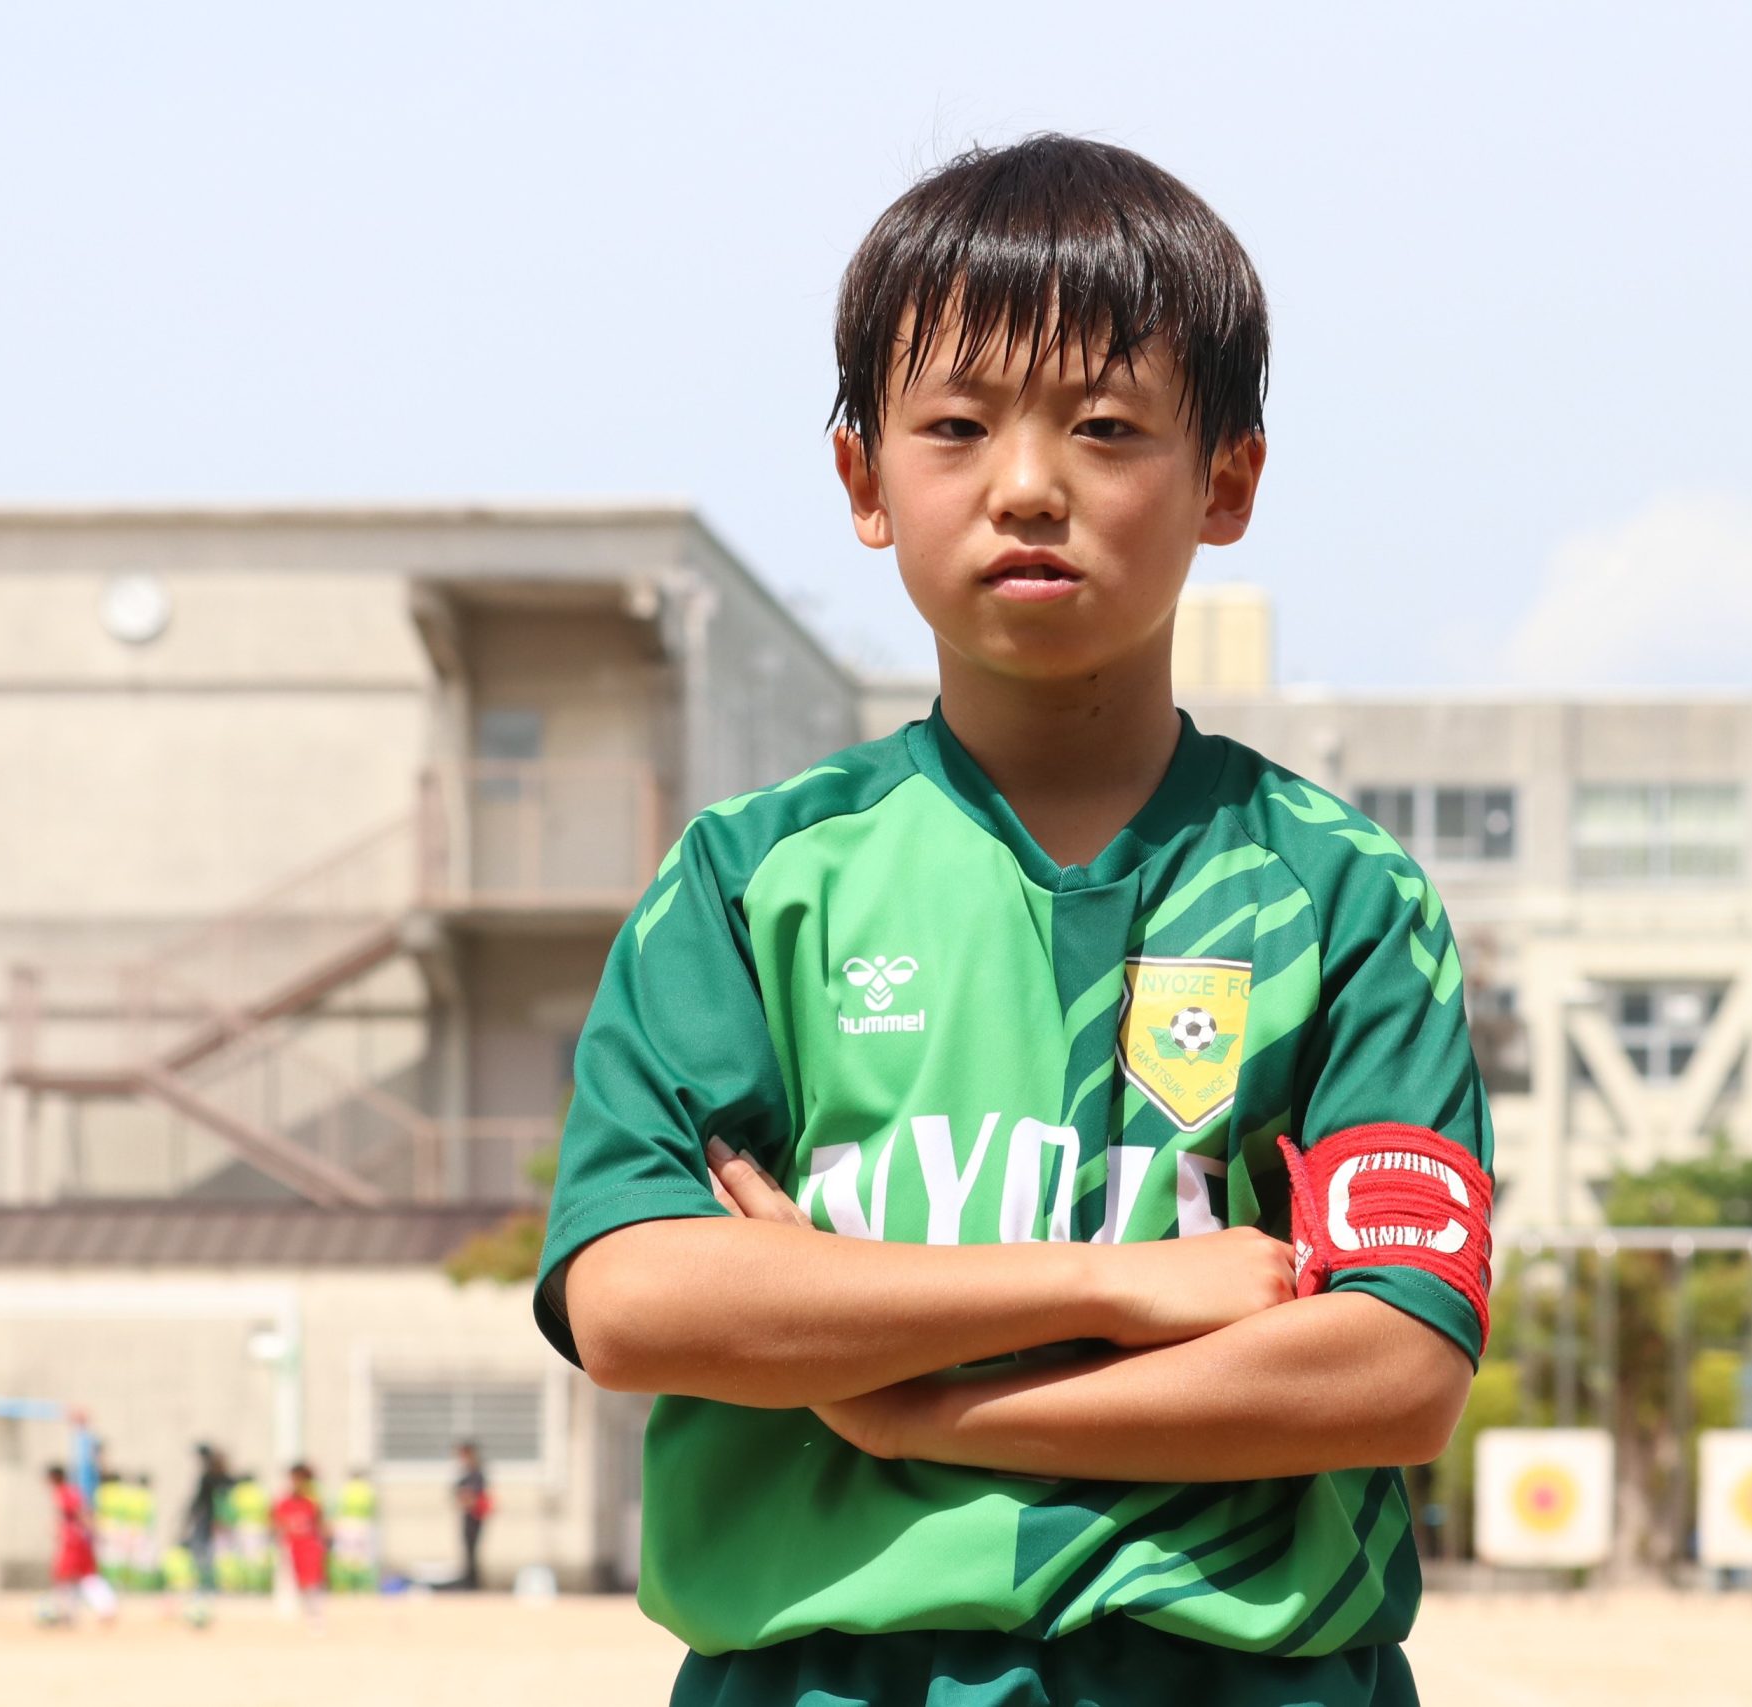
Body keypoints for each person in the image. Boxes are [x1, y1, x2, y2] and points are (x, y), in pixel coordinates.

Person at [532, 134, 1492, 1706]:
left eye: (1106, 427)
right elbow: (635, 1297)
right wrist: (1103, 1285)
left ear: (1227, 479)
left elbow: (1395, 1366)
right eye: (957, 426)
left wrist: (910, 1402)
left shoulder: (1338, 893)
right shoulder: (754, 880)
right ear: (864, 479)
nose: (1029, 485)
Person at [46, 1464, 118, 1626]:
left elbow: (80, 1512)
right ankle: (71, 1612)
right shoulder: (66, 1491)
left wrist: (95, 1531)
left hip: (75, 1542)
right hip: (76, 1540)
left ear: (54, 1478)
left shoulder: (65, 1492)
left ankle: (70, 1611)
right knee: (76, 1576)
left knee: (70, 1576)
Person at [180, 1442, 232, 1621]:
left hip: (210, 1525)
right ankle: (206, 1589)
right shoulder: (219, 1478)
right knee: (204, 1558)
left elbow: (201, 1502)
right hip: (208, 1524)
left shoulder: (212, 1478)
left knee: (207, 1558)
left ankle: (208, 1590)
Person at [270, 1463, 329, 1618]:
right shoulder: (285, 1501)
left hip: (309, 1545)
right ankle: (295, 1607)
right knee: (292, 1578)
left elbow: (320, 1521)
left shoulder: (312, 1500)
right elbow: (276, 1520)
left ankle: (314, 1609)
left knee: (312, 1578)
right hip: (292, 1545)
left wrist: (324, 1539)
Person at [450, 1441, 490, 1590]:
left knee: (472, 1548)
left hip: (475, 1515)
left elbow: (474, 1493)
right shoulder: (465, 1472)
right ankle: (469, 1580)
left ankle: (472, 1583)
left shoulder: (476, 1472)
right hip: (468, 1514)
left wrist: (466, 1496)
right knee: (467, 1548)